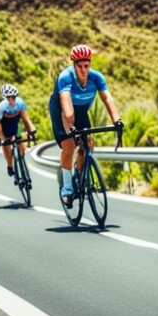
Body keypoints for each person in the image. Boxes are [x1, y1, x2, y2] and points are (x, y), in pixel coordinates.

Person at [49, 45, 122, 207]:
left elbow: (107, 99)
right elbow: (66, 102)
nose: (83, 70)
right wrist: (72, 127)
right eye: (80, 66)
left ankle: (81, 177)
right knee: (68, 146)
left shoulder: (96, 78)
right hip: (61, 110)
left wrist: (117, 120)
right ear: (74, 65)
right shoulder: (65, 77)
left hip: (81, 110)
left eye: (86, 66)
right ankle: (67, 187)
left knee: (87, 144)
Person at [0, 84, 36, 178]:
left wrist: (30, 133)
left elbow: (25, 119)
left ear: (16, 96)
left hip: (15, 123)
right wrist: (2, 138)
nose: (10, 100)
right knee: (6, 144)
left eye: (13, 97)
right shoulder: (1, 106)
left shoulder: (20, 103)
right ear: (4, 97)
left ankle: (20, 159)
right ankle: (10, 166)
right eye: (8, 97)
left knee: (21, 144)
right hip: (5, 125)